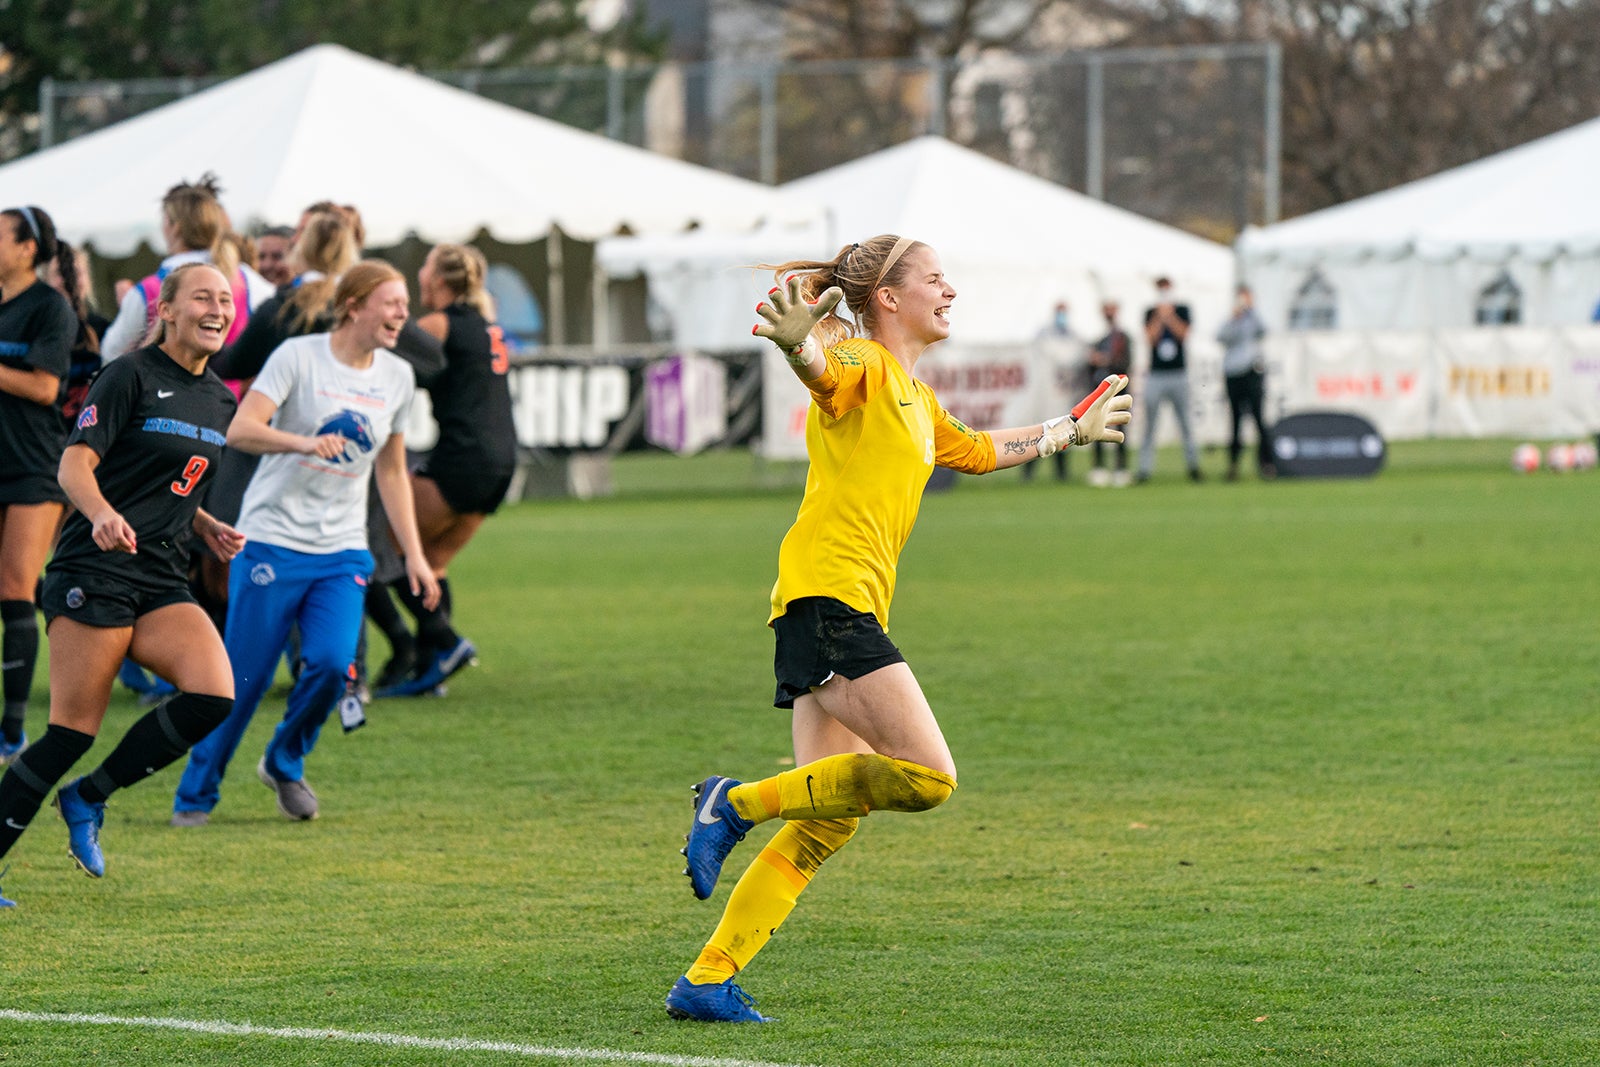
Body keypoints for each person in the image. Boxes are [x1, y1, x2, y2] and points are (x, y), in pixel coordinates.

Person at [663, 234, 1131, 1022]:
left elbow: (977, 450)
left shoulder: (914, 393)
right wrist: (798, 352)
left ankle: (706, 978)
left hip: (824, 603)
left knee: (827, 822)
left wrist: (1067, 430)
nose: (950, 290)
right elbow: (826, 374)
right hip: (830, 600)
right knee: (928, 777)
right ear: (888, 297)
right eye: (937, 279)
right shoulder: (865, 364)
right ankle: (734, 803)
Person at [0, 263, 243, 903]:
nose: (217, 308)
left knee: (214, 694)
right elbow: (75, 465)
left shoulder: (221, 399)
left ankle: (89, 796)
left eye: (225, 299)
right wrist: (102, 513)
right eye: (202, 297)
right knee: (71, 732)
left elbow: (172, 481)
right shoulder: (129, 375)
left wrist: (208, 524)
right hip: (94, 569)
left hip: (162, 573)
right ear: (166, 310)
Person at [172, 261, 439, 826]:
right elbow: (241, 430)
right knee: (244, 680)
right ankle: (196, 794)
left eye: (405, 305)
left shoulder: (398, 377)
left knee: (332, 663)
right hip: (271, 540)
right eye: (391, 303)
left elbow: (391, 472)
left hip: (343, 550)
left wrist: (414, 555)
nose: (402, 315)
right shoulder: (298, 357)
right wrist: (305, 442)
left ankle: (284, 760)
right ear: (354, 306)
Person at [372, 242, 515, 698]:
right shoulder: (488, 326)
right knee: (433, 563)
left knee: (376, 547)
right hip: (501, 463)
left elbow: (390, 358)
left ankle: (439, 644)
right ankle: (433, 669)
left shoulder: (441, 322)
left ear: (438, 280)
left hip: (463, 457)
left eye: (426, 270)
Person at [0, 206, 76, 766]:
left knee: (15, 586)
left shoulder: (50, 308)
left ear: (27, 248)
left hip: (32, 466)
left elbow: (46, 387)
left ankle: (12, 730)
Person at [99, 173, 274, 365]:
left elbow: (111, 352)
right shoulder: (247, 279)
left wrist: (129, 306)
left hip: (167, 392)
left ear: (175, 227)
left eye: (164, 219)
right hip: (234, 394)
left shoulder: (149, 289)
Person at [1136, 276, 1202, 484]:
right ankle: (1144, 469)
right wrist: (1159, 317)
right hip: (1156, 375)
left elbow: (1183, 334)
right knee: (1149, 424)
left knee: (1185, 423)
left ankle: (1193, 466)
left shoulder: (1182, 309)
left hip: (1178, 373)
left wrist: (1170, 316)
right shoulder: (1150, 312)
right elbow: (1150, 338)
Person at [1217, 285, 1274, 481]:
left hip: (1252, 372)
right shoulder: (1231, 320)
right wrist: (1235, 317)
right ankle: (1233, 466)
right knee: (1235, 421)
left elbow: (1263, 330)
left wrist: (1251, 310)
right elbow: (1221, 337)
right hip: (1233, 374)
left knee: (1259, 419)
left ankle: (1266, 464)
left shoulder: (1253, 319)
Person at [1021, 299, 1077, 484]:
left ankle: (1061, 472)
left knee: (1062, 432)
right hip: (1044, 393)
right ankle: (1028, 470)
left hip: (1061, 394)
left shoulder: (1072, 335)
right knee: (1040, 432)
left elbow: (1074, 358)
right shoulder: (1044, 335)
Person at [1086, 301, 1133, 487]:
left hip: (1118, 390)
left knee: (1120, 428)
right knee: (1096, 427)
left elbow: (1125, 363)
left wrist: (1104, 360)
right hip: (1100, 391)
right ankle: (1099, 467)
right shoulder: (1100, 340)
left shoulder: (1123, 338)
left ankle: (1121, 468)